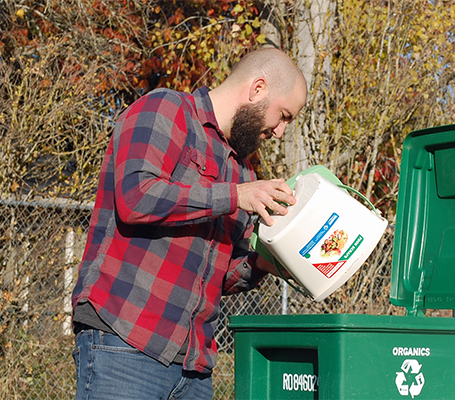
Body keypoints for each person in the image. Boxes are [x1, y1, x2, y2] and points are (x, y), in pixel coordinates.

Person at [71, 47, 308, 400]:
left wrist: (263, 263)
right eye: (284, 115)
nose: (280, 132)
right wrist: (234, 196)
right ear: (257, 88)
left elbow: (225, 273)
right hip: (125, 343)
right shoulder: (166, 110)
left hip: (194, 369)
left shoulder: (242, 171)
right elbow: (137, 196)